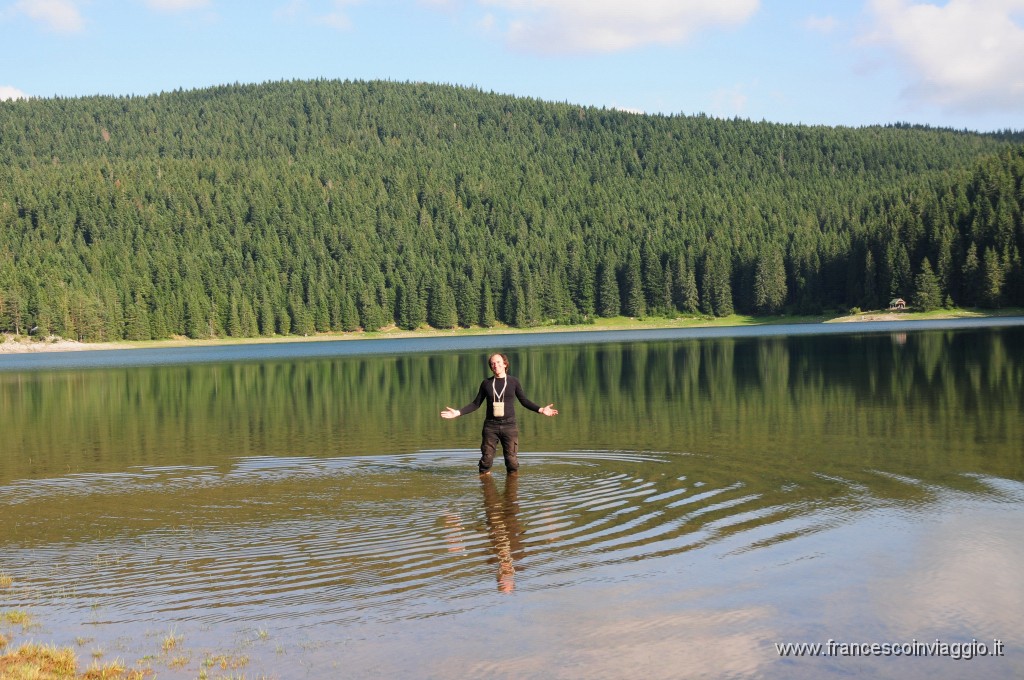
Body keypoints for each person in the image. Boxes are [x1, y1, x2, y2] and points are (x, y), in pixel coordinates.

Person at [440, 353, 557, 474]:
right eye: (493, 364)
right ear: (491, 367)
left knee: (511, 461)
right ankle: (485, 481)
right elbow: (476, 404)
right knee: (486, 459)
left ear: (505, 364)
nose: (496, 365)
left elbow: (524, 401)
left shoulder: (513, 382)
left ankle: (511, 488)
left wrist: (541, 409)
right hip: (491, 426)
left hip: (509, 426)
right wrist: (458, 412)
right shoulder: (486, 383)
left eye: (498, 362)